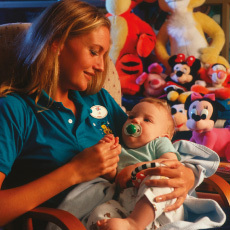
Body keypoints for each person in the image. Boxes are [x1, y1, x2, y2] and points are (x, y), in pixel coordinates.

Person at [0, 0, 223, 229]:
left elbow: (153, 144)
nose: (100, 66)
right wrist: (74, 172)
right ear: (56, 43)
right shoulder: (14, 110)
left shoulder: (98, 98)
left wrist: (185, 175)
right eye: (94, 51)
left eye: (104, 55)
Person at [86, 98, 225, 230]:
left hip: (162, 206)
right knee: (100, 212)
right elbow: (112, 178)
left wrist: (136, 168)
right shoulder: (119, 148)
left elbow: (171, 163)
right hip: (127, 207)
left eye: (147, 120)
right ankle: (129, 224)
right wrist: (106, 153)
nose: (135, 120)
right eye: (131, 116)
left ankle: (134, 224)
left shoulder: (158, 143)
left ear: (164, 135)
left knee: (160, 175)